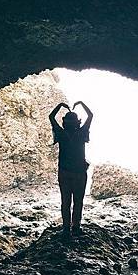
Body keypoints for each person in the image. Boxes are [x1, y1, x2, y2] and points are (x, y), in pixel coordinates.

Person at [49, 101, 93, 238]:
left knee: (65, 201)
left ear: (64, 123)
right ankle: (76, 227)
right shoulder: (82, 133)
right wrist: (81, 104)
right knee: (78, 201)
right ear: (77, 123)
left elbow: (51, 117)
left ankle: (66, 229)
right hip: (80, 173)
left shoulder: (61, 134)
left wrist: (61, 105)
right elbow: (91, 115)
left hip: (64, 172)